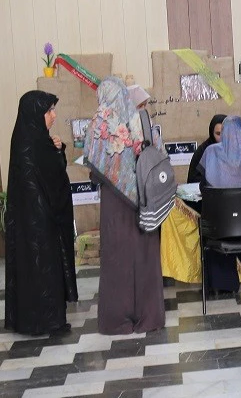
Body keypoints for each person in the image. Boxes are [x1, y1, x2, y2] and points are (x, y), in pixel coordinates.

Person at [84, 77, 164, 335]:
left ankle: (117, 320)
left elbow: (94, 167)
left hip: (114, 205)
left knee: (116, 260)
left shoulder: (98, 123)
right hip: (145, 200)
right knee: (145, 258)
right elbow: (158, 154)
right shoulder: (141, 120)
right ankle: (149, 318)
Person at [4, 90, 77, 337]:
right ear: (35, 114)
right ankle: (49, 321)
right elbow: (53, 177)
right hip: (41, 219)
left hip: (33, 219)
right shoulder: (34, 142)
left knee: (34, 268)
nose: (53, 116)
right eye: (49, 111)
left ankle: (34, 320)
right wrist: (56, 152)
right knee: (44, 269)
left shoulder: (29, 138)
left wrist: (57, 149)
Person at [198, 115, 241, 295]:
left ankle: (218, 283)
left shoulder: (210, 153)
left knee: (213, 219)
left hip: (218, 229)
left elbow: (203, 189)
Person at [187, 114, 227, 184]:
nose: (222, 137)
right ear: (212, 133)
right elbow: (193, 179)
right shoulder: (203, 150)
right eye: (218, 134)